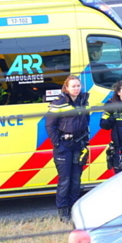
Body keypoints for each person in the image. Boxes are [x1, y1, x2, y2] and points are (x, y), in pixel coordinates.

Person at [46, 75, 90, 222]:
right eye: (73, 86)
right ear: (66, 88)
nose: (76, 88)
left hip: (78, 144)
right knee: (65, 179)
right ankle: (63, 211)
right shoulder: (59, 103)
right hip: (64, 146)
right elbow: (49, 125)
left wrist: (85, 141)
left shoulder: (84, 101)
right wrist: (57, 143)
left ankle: (74, 209)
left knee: (76, 179)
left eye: (78, 86)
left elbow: (86, 121)